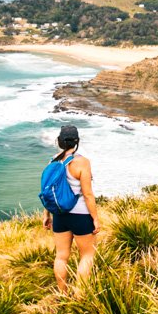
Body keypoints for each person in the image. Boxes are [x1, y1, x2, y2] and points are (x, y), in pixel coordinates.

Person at [42, 124, 100, 293]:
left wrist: (47, 214)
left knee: (61, 256)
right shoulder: (82, 162)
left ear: (59, 142)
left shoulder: (53, 161)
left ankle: (63, 295)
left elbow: (48, 191)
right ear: (77, 142)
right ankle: (80, 296)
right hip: (81, 215)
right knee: (87, 256)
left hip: (59, 215)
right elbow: (88, 194)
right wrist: (95, 218)